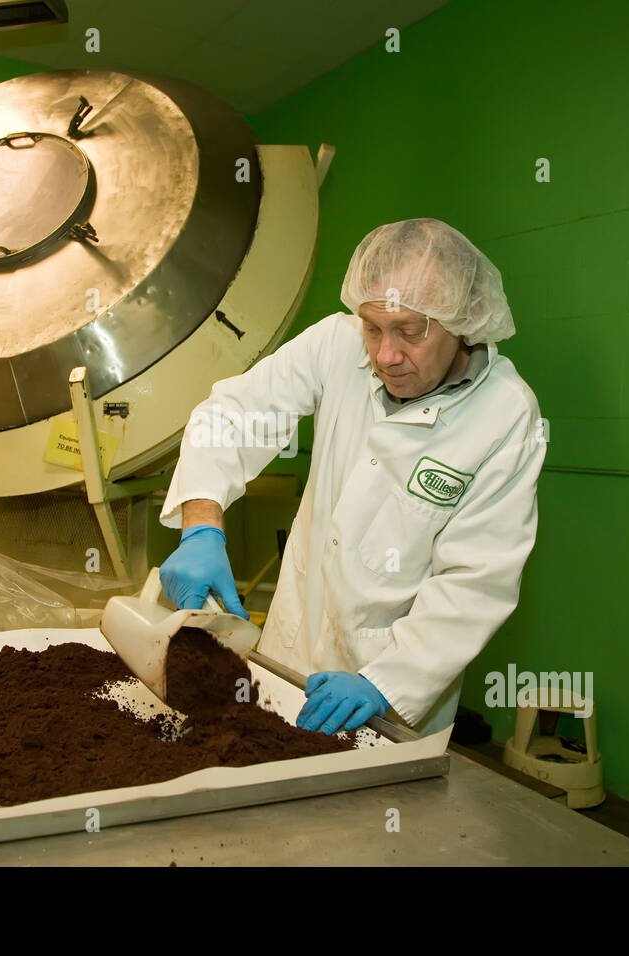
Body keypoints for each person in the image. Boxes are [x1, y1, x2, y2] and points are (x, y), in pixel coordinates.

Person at [157, 219, 544, 737]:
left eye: (410, 331)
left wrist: (387, 682)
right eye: (373, 327)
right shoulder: (335, 345)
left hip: (390, 688)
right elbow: (231, 414)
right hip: (288, 652)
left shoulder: (505, 415)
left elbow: (477, 582)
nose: (385, 355)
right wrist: (201, 524)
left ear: (463, 321)